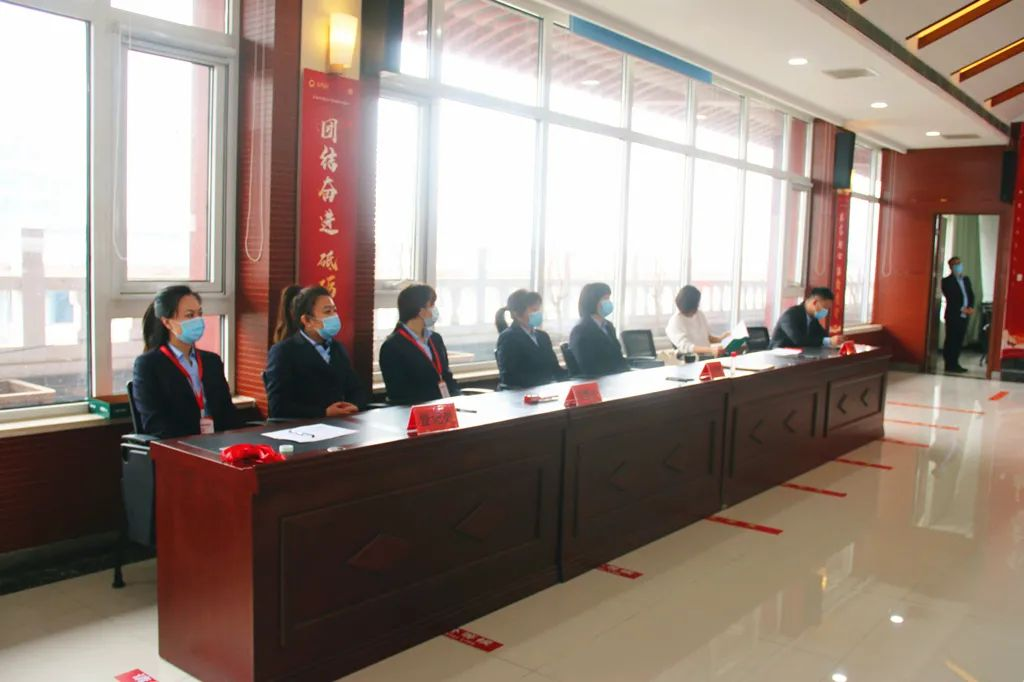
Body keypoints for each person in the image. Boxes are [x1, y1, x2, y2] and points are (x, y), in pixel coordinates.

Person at [132, 285, 241, 439]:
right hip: (179, 445)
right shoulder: (149, 365)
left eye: (199, 314)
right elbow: (155, 423)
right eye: (190, 315)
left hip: (218, 443)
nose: (198, 320)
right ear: (167, 322)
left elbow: (228, 412)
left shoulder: (211, 361)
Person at [264, 285, 368, 418]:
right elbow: (278, 407)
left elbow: (357, 389)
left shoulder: (337, 348)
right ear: (307, 320)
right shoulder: (283, 352)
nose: (334, 316)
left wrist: (355, 405)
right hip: (305, 426)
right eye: (327, 312)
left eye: (334, 310)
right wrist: (323, 413)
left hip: (340, 423)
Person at [379, 283, 461, 405]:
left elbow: (447, 377)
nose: (435, 310)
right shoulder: (392, 346)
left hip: (444, 406)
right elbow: (398, 392)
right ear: (420, 311)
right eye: (431, 305)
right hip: (417, 409)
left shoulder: (435, 339)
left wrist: (459, 399)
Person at [494, 289, 567, 389]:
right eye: (533, 310)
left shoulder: (543, 336)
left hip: (545, 390)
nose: (538, 314)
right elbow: (511, 377)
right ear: (516, 313)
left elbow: (555, 369)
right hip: (523, 393)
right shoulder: (508, 338)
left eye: (539, 310)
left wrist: (573, 376)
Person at [568, 282, 629, 376]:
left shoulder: (608, 326)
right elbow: (589, 367)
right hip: (599, 380)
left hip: (615, 378)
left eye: (609, 298)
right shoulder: (580, 330)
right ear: (592, 301)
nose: (608, 302)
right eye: (605, 298)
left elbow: (618, 358)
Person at [770, 287, 845, 349]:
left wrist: (835, 340)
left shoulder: (812, 318)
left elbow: (823, 335)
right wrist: (828, 341)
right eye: (825, 307)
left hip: (801, 355)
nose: (826, 311)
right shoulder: (791, 315)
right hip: (779, 355)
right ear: (815, 303)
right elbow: (799, 340)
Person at [666, 285, 724, 358]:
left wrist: (722, 338)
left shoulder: (699, 314)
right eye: (696, 304)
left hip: (709, 356)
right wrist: (710, 350)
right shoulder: (675, 321)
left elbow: (707, 338)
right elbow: (687, 347)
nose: (697, 307)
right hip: (692, 360)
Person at [941, 256, 975, 373]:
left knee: (959, 339)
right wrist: (962, 309)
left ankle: (956, 363)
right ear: (951, 267)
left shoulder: (966, 280)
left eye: (959, 264)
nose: (959, 266)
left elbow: (970, 295)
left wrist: (970, 307)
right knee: (951, 340)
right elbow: (951, 298)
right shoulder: (946, 281)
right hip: (953, 315)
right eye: (956, 264)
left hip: (965, 316)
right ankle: (949, 364)